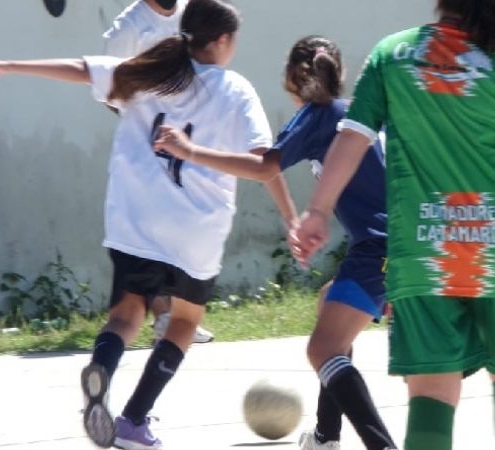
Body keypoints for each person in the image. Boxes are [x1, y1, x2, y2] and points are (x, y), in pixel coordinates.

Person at [0, 1, 296, 449]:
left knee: (127, 313)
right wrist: (291, 214)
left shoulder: (149, 70)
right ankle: (134, 422)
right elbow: (264, 163)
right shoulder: (234, 89)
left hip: (134, 218)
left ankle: (103, 365)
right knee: (183, 321)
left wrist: (7, 65)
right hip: (197, 227)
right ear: (221, 41)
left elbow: (83, 68)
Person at [289, 0, 495, 449]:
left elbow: (352, 137)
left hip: (424, 256)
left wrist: (317, 211)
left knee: (432, 392)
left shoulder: (392, 55)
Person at [152, 35, 397, 450]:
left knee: (323, 348)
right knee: (328, 303)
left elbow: (265, 166)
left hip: (382, 248)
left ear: (290, 79)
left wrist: (190, 150)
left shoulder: (318, 115)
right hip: (406, 243)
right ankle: (326, 437)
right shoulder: (359, 112)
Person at [104, 0, 215, 345]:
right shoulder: (128, 29)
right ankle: (163, 317)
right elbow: (110, 90)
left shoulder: (190, 14)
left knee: (186, 221)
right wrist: (145, 124)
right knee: (153, 227)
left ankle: (181, 315)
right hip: (147, 140)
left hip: (191, 135)